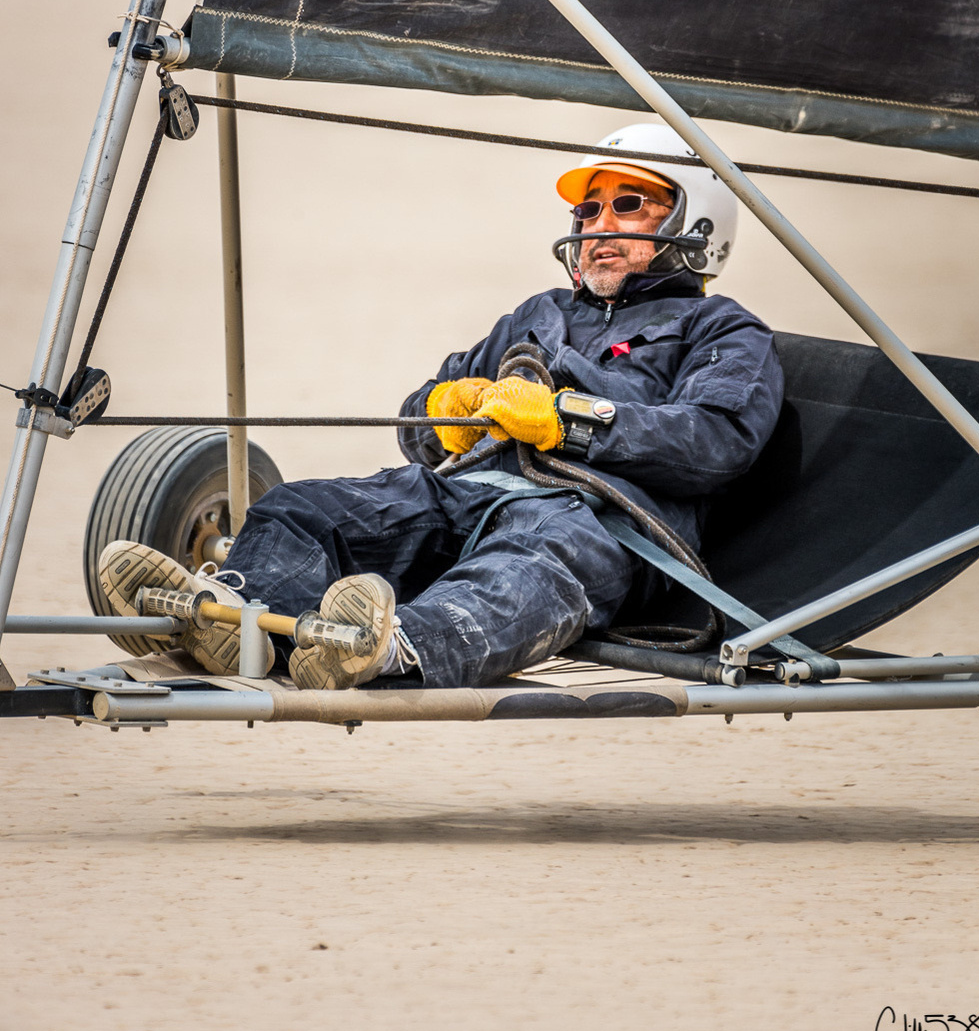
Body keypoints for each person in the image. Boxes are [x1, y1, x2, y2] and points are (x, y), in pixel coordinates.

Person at [99, 123, 784, 691]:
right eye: (588, 210)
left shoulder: (721, 329)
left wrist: (565, 421)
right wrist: (443, 410)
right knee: (301, 508)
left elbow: (718, 439)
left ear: (694, 221)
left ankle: (385, 648)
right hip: (465, 492)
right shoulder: (537, 315)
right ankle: (240, 619)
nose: (599, 226)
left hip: (593, 520)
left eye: (628, 205)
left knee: (522, 572)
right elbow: (418, 420)